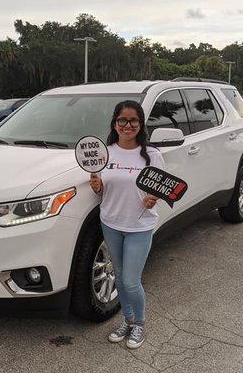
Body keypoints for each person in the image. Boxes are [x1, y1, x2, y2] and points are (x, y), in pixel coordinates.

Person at [89, 100, 165, 349]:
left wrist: (153, 198)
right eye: (123, 120)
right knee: (119, 279)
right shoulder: (105, 152)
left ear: (141, 124)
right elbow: (101, 187)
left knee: (131, 280)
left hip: (139, 226)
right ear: (115, 123)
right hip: (110, 222)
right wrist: (97, 186)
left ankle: (140, 324)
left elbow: (160, 189)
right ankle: (127, 319)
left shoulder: (152, 155)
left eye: (134, 120)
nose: (128, 125)